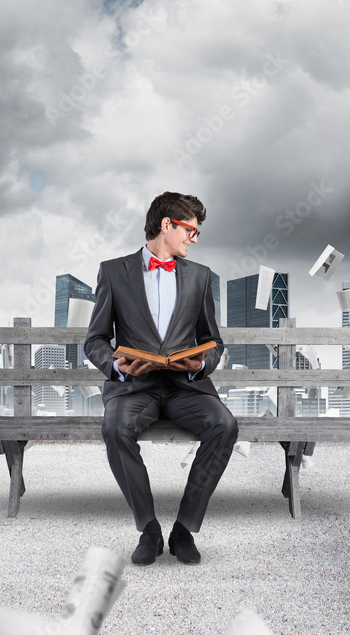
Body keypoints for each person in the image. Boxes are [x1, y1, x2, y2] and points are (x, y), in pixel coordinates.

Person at [84, 192, 238, 565]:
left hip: (187, 386)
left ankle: (184, 528)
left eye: (197, 233)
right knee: (115, 427)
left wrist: (200, 363)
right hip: (134, 386)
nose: (194, 238)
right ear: (167, 225)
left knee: (225, 424)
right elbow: (96, 339)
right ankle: (149, 529)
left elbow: (212, 339)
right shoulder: (113, 271)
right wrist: (118, 366)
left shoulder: (200, 276)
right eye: (191, 230)